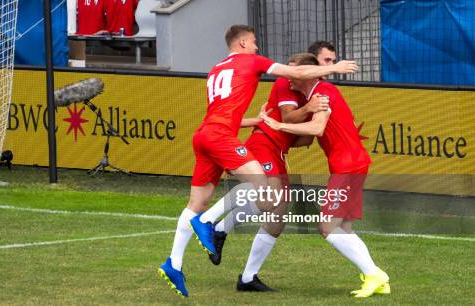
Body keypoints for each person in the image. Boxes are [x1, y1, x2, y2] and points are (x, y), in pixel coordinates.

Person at [157, 25, 359, 298]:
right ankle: (213, 226)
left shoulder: (217, 68)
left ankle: (175, 263)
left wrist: (261, 120)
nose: (257, 48)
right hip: (235, 140)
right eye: (253, 43)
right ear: (242, 43)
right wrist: (336, 69)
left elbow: (225, 114)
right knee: (263, 187)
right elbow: (291, 101)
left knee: (214, 205)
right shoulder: (266, 70)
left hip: (208, 134)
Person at [206, 42, 338, 292]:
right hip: (263, 143)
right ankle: (216, 226)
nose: (331, 65)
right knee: (270, 197)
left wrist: (303, 127)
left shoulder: (318, 92)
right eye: (328, 60)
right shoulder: (286, 84)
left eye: (333, 60)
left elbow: (305, 138)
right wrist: (307, 112)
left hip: (277, 150)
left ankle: (247, 278)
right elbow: (288, 118)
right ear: (313, 64)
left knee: (276, 219)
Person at [261, 53, 390, 298]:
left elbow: (316, 128)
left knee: (327, 227)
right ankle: (376, 279)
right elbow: (310, 135)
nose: (289, 77)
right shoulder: (316, 95)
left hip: (348, 167)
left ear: (307, 73)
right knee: (345, 228)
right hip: (351, 165)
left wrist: (279, 126)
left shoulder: (322, 92)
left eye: (293, 72)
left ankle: (374, 274)